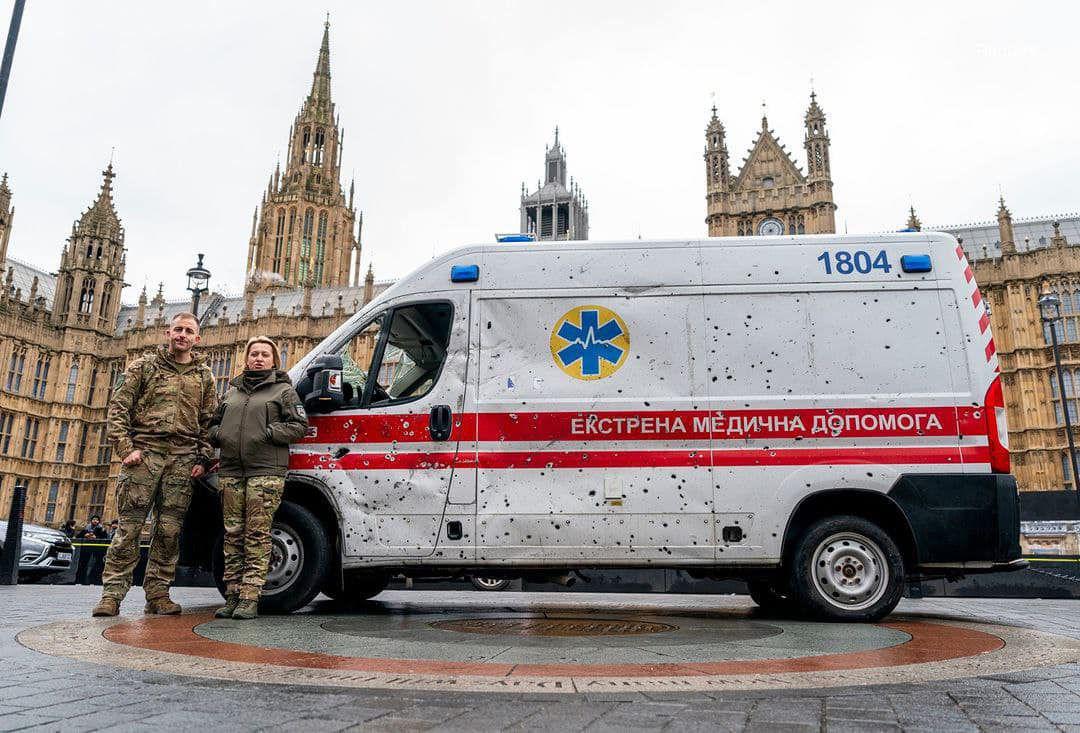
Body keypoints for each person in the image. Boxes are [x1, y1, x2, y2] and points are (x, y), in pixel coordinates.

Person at [92, 312, 217, 617]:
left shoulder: (204, 376)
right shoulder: (143, 367)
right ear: (167, 332)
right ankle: (111, 595)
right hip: (145, 454)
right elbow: (119, 409)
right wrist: (125, 448)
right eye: (178, 329)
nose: (182, 335)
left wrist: (202, 458)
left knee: (169, 531)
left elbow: (208, 423)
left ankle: (158, 593)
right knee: (129, 528)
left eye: (189, 331)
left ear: (197, 339)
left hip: (182, 460)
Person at [209, 336, 308, 620]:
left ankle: (250, 597)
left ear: (274, 360)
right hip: (231, 471)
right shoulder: (231, 393)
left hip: (265, 472)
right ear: (247, 358)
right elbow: (212, 425)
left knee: (256, 535)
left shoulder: (284, 392)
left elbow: (299, 426)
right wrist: (219, 436)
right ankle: (232, 595)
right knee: (232, 535)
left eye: (265, 354)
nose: (259, 358)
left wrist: (268, 433)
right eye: (254, 354)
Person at [75, 515, 109, 585]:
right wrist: (85, 535)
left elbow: (106, 538)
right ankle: (81, 580)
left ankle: (94, 580)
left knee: (96, 565)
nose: (95, 521)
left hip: (97, 550)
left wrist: (96, 537)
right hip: (85, 550)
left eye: (96, 520)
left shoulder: (102, 529)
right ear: (91, 520)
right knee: (83, 565)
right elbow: (78, 536)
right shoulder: (86, 528)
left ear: (99, 521)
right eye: (93, 519)